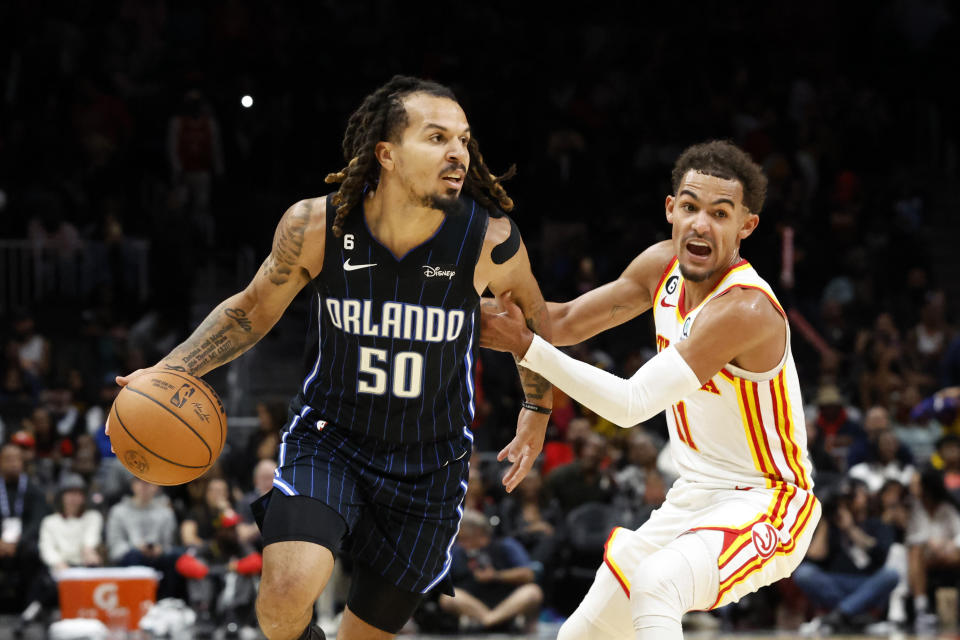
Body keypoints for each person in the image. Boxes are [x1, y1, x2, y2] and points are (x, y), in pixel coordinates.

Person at [113, 75, 552, 640]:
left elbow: (535, 326)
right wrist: (172, 368)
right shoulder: (317, 225)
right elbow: (251, 311)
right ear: (386, 154)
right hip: (332, 439)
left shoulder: (490, 240)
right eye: (437, 137)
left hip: (431, 463)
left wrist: (536, 413)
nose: (457, 154)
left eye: (464, 140)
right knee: (282, 602)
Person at [481, 140, 822, 639]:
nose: (700, 224)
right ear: (671, 210)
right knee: (577, 635)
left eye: (720, 213)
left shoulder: (743, 310)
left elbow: (630, 404)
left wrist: (526, 347)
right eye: (690, 207)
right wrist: (459, 311)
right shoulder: (662, 265)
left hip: (769, 500)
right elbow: (566, 319)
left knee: (658, 583)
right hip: (693, 498)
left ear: (746, 226)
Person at [440, 508, 543, 633]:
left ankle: (489, 621)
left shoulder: (506, 545)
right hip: (473, 604)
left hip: (506, 603)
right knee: (448, 597)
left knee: (532, 592)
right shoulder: (457, 551)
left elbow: (528, 575)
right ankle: (491, 620)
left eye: (464, 537)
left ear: (479, 532)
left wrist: (496, 575)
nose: (461, 542)